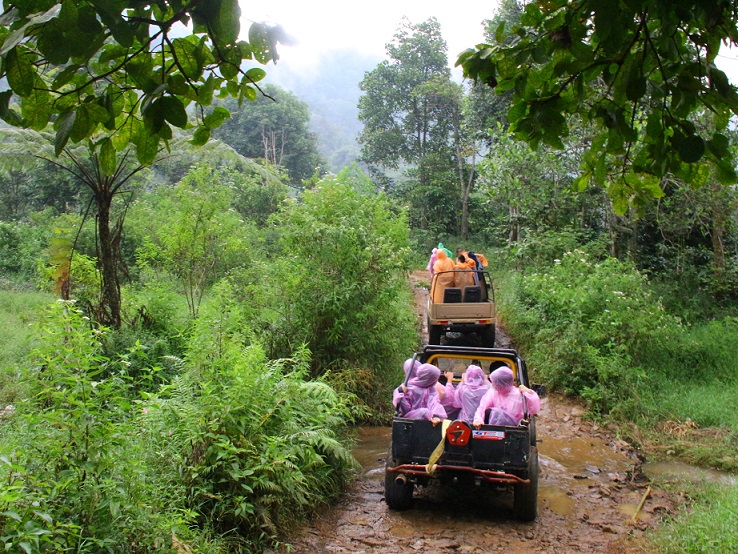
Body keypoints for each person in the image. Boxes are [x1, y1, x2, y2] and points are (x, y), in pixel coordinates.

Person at [473, 366, 540, 428]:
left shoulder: (518, 394)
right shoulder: (493, 393)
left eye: (495, 383)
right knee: (489, 411)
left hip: (514, 428)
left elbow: (534, 409)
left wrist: (529, 392)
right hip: (493, 428)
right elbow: (482, 408)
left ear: (501, 383)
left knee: (495, 412)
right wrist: (478, 420)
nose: (492, 385)